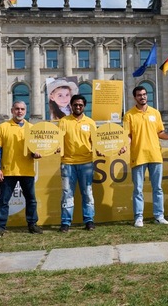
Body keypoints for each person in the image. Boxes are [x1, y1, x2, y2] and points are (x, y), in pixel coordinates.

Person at [0, 101, 44, 238]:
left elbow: (34, 149)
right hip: (8, 171)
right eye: (17, 109)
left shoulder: (32, 128)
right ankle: (0, 227)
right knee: (3, 201)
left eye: (22, 109)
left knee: (31, 200)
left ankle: (32, 224)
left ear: (26, 111)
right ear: (12, 110)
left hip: (27, 170)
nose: (20, 111)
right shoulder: (2, 127)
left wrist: (36, 154)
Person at [122, 86, 168, 227]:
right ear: (135, 97)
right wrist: (124, 145)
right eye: (139, 95)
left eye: (144, 94)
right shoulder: (129, 115)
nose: (143, 97)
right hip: (138, 156)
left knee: (157, 188)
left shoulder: (155, 113)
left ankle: (159, 216)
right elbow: (128, 136)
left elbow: (160, 133)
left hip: (155, 155)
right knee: (138, 189)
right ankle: (139, 217)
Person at [57, 94, 97, 232]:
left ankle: (89, 220)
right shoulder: (63, 122)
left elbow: (95, 143)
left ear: (84, 106)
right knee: (67, 193)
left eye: (80, 105)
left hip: (86, 163)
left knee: (87, 192)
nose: (78, 107)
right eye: (75, 105)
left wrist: (101, 149)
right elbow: (58, 141)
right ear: (71, 106)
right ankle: (66, 222)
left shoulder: (91, 122)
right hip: (67, 163)